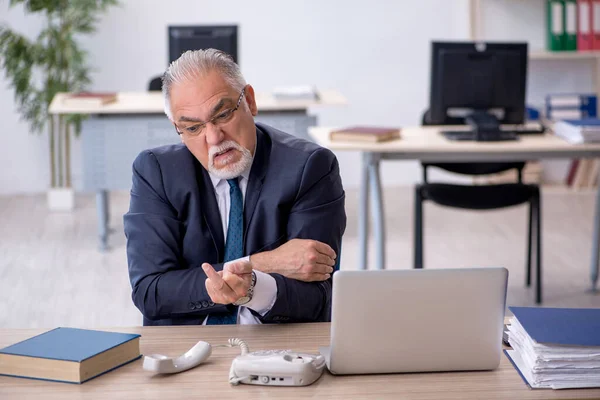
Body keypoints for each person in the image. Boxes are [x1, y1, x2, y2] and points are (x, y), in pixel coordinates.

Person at [124, 49, 346, 326]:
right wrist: (260, 263)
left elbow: (318, 298)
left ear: (250, 101)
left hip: (279, 346)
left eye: (223, 114)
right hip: (183, 348)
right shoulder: (155, 172)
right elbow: (150, 292)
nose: (214, 137)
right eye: (193, 128)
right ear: (177, 129)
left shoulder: (310, 168)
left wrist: (254, 289)